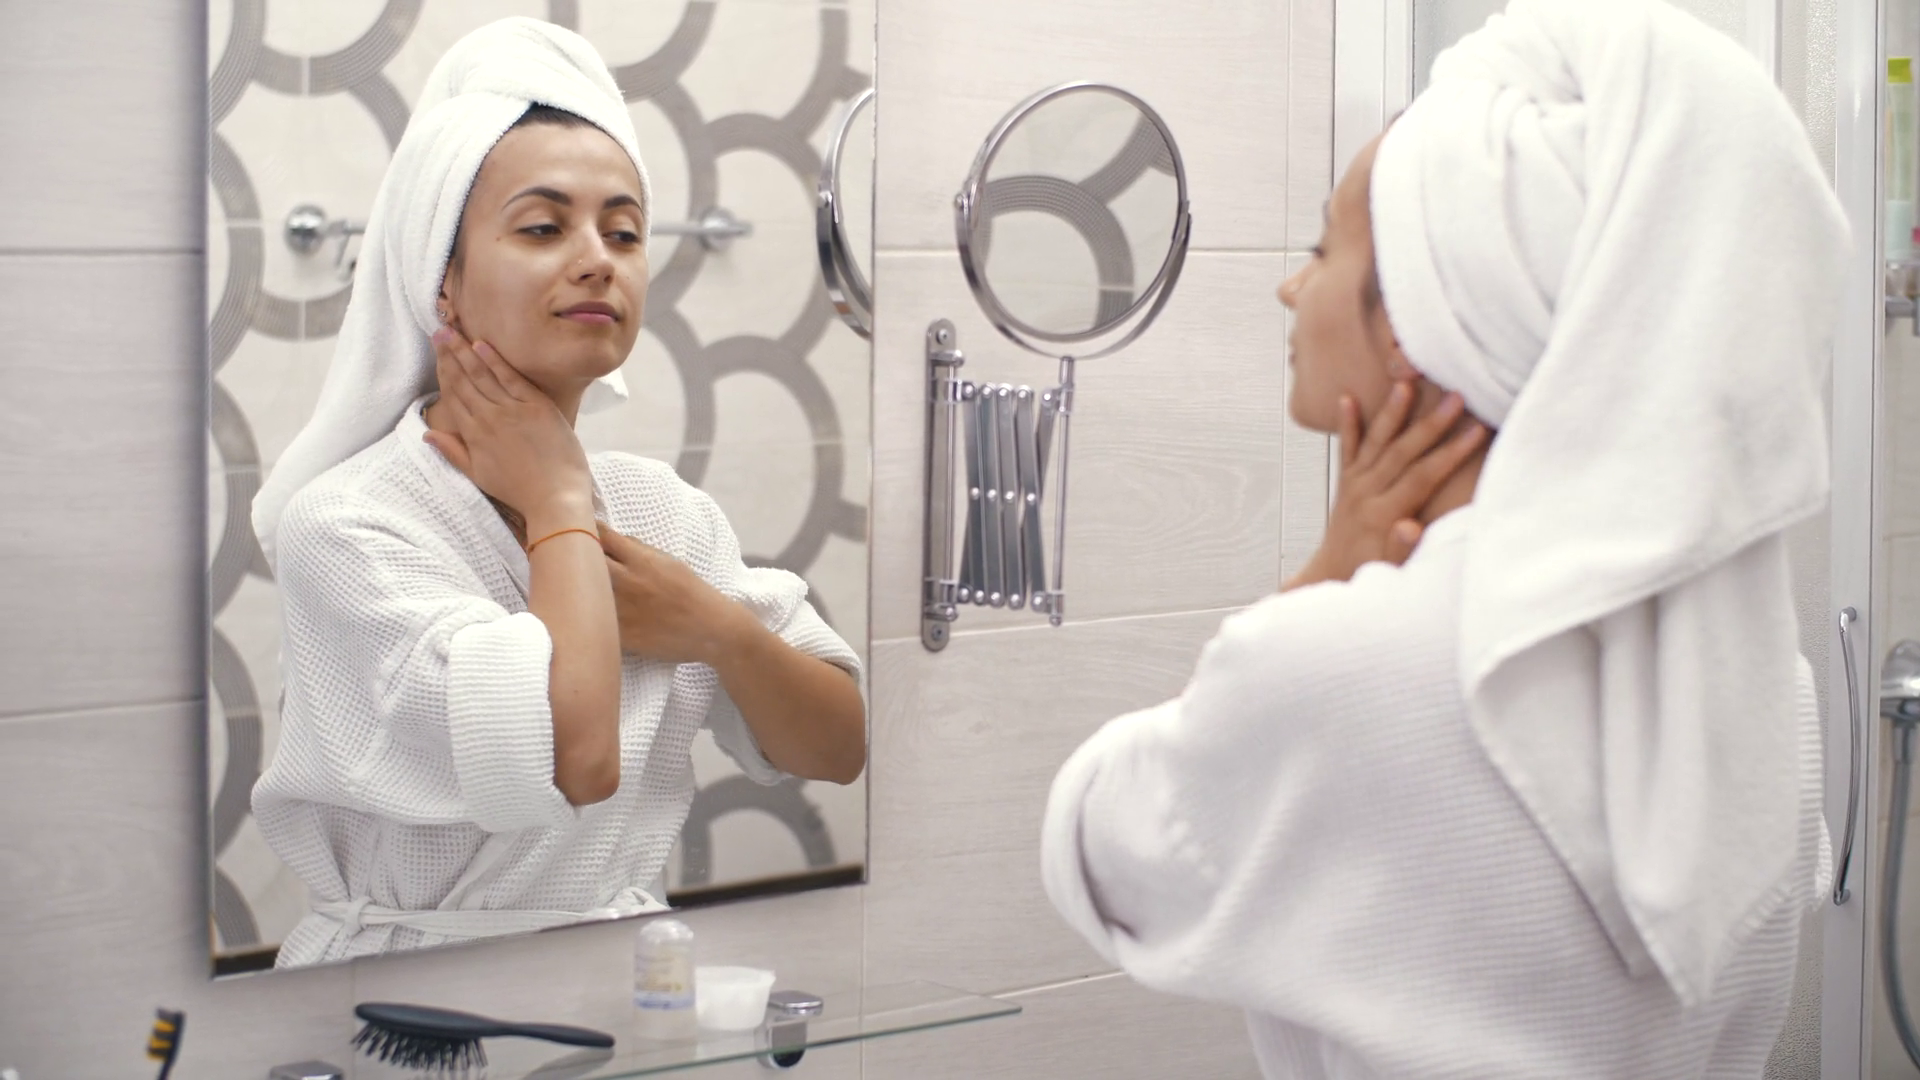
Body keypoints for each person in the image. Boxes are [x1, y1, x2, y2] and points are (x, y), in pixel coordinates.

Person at [1040, 1, 1845, 1075]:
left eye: (1323, 248)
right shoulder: (1756, 679)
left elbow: (1101, 854)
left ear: (1422, 324)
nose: (1291, 285)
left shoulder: (1336, 661)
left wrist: (1323, 579)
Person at [249, 19, 864, 968]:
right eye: (543, 227)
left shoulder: (662, 513)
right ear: (441, 279)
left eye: (624, 232)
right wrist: (558, 504)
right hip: (402, 996)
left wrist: (713, 628)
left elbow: (841, 746)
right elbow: (576, 762)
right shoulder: (348, 525)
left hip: (622, 986)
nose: (597, 259)